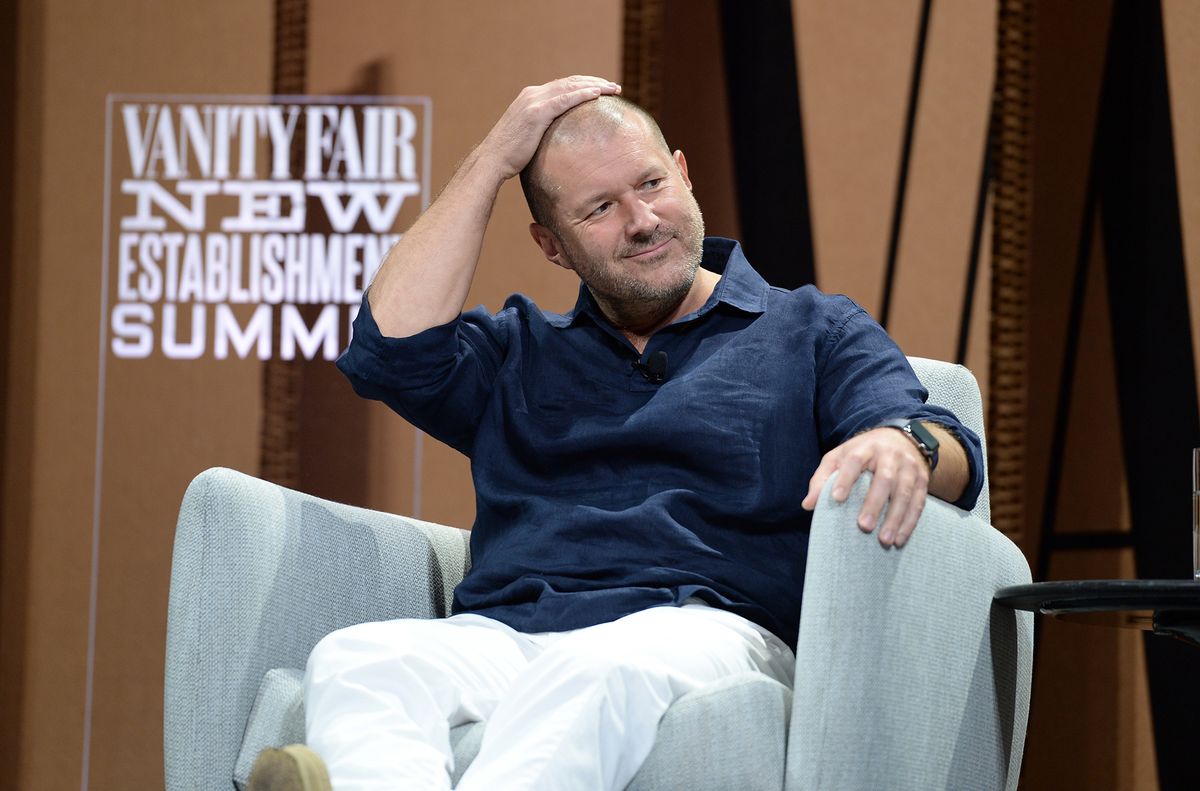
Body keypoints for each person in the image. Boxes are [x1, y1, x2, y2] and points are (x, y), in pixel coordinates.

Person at [248, 75, 983, 791]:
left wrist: (901, 444)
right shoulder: (517, 350)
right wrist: (495, 157)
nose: (641, 220)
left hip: (704, 628)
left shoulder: (811, 329)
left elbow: (948, 446)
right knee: (359, 657)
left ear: (686, 176)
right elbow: (390, 351)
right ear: (552, 245)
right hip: (513, 631)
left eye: (652, 184)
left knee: (597, 672)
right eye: (599, 207)